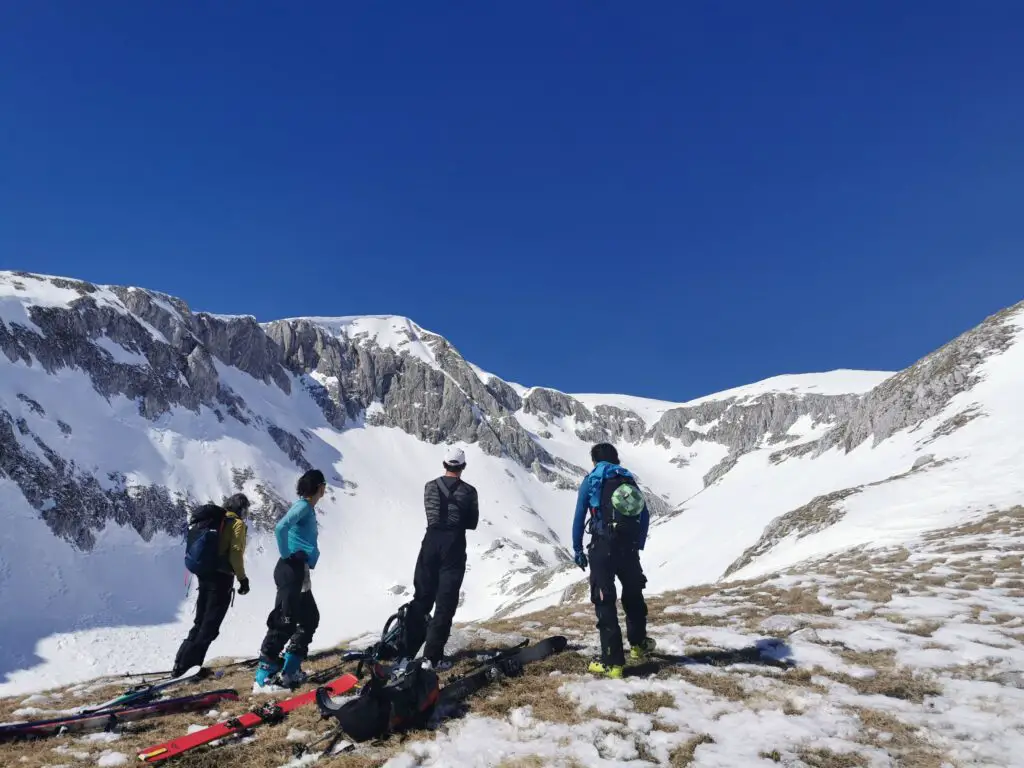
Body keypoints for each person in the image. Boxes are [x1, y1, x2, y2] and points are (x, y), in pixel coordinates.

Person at [572, 443, 655, 679]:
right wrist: (637, 543)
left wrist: (578, 549)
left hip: (602, 547)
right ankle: (639, 646)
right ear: (616, 459)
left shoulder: (593, 480)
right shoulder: (627, 479)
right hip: (628, 548)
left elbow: (579, 516)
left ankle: (613, 662)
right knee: (633, 594)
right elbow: (644, 514)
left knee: (604, 600)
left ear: (594, 460)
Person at [405, 445, 479, 670]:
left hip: (430, 542)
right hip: (454, 546)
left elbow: (430, 512)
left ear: (444, 464)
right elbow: (473, 523)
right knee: (445, 603)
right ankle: (432, 657)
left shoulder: (429, 487)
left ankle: (406, 653)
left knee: (422, 598)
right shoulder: (469, 492)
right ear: (463, 467)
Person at [255, 469, 325, 688]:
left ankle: (290, 668)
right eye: (323, 485)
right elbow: (280, 527)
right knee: (284, 620)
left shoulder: (307, 507)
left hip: (299, 571)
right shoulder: (303, 506)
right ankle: (264, 677)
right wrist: (287, 554)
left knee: (309, 618)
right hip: (291, 569)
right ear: (319, 487)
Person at [172, 493, 251, 678]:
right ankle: (190, 669)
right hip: (221, 579)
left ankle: (180, 663)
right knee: (210, 626)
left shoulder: (217, 521)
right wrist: (242, 579)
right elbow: (236, 553)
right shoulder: (237, 524)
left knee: (200, 622)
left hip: (205, 576)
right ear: (241, 509)